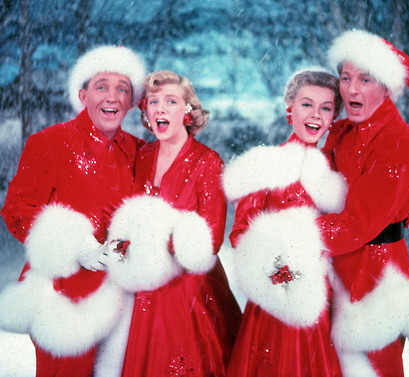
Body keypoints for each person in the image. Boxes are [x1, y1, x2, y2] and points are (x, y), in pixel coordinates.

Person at [0, 45, 146, 377]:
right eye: (101, 87)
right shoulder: (49, 142)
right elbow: (17, 209)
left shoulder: (138, 151)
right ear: (82, 95)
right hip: (65, 298)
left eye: (121, 89)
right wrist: (74, 245)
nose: (111, 97)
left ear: (130, 101)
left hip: (122, 298)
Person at [318, 29, 409, 377]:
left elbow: (359, 223)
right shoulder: (340, 132)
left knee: (372, 366)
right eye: (345, 78)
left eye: (365, 79)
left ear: (387, 87)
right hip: (333, 264)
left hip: (374, 272)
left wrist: (299, 239)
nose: (352, 89)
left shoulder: (399, 144)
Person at [100, 70, 242, 377]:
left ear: (188, 111)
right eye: (153, 102)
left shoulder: (208, 162)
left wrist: (156, 242)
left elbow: (212, 237)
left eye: (171, 101)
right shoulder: (142, 155)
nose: (160, 109)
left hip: (189, 289)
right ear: (146, 112)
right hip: (143, 287)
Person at [222, 68, 347, 377]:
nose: (316, 114)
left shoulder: (336, 171)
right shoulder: (266, 165)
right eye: (307, 104)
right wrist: (276, 264)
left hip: (324, 303)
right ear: (289, 108)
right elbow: (241, 233)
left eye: (326, 107)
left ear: (333, 117)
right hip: (277, 300)